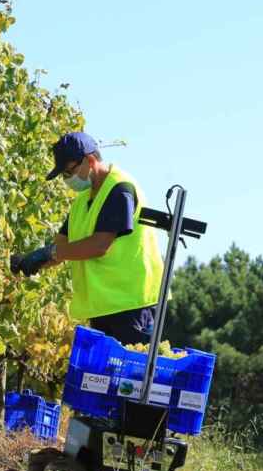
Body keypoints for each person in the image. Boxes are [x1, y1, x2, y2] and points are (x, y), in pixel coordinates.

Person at [11, 132, 163, 345]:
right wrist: (33, 260)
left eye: (69, 172)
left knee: (132, 375)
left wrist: (52, 252)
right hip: (104, 306)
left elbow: (100, 245)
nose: (67, 180)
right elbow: (62, 247)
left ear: (90, 160)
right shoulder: (82, 201)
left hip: (132, 304)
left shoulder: (120, 188)